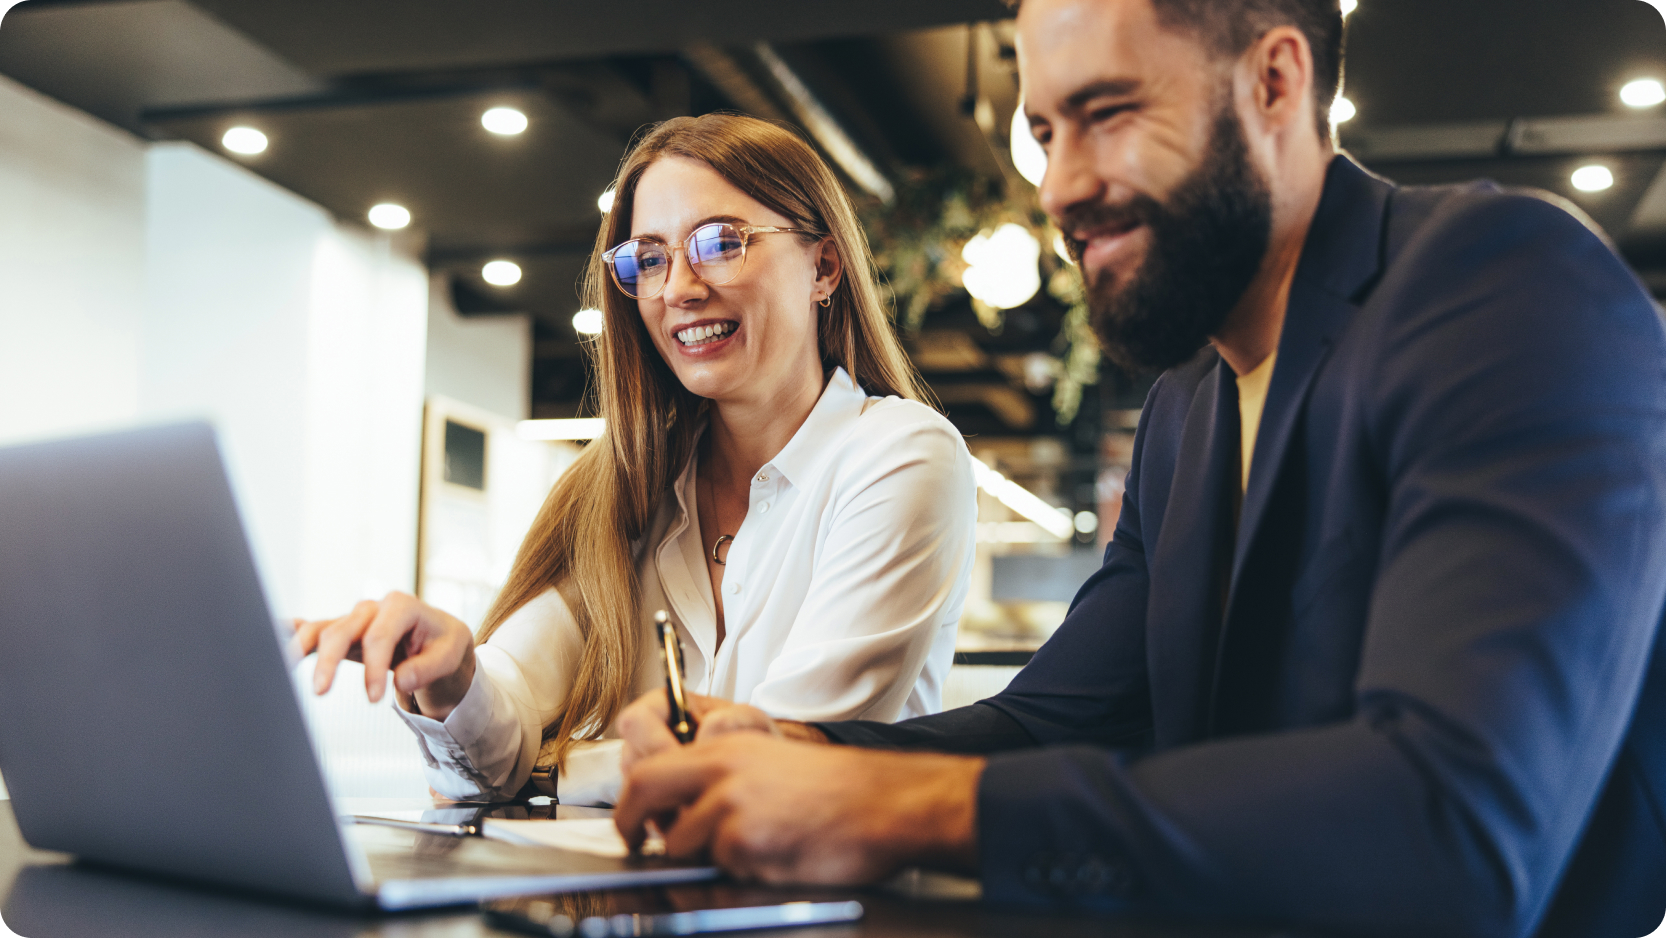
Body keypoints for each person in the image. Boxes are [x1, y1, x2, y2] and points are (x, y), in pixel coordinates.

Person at [610, 2, 1666, 937]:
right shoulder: (1187, 403)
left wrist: (899, 809)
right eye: (1041, 133)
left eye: (1106, 112)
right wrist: (794, 743)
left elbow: (1455, 824)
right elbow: (1062, 714)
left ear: (1274, 81)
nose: (1062, 185)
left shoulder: (1505, 284)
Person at [292, 113, 978, 805]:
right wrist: (453, 676)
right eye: (648, 258)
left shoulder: (902, 456)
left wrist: (554, 771)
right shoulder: (628, 488)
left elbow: (781, 757)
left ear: (823, 266)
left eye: (720, 243)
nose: (679, 286)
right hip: (646, 906)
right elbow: (503, 721)